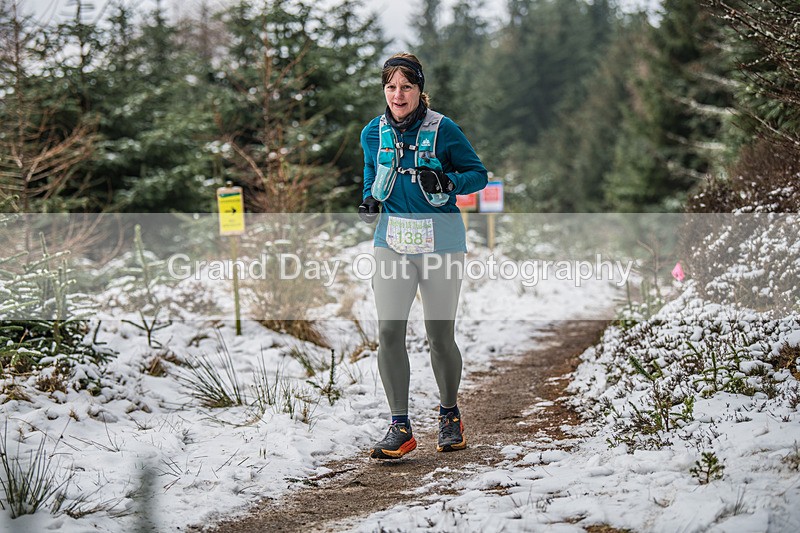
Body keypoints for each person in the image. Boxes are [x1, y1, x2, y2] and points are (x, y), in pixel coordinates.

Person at [358, 52, 488, 459]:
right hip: (392, 241)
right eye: (392, 86)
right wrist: (368, 198)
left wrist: (448, 180)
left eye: (407, 86)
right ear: (384, 89)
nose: (398, 94)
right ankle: (400, 426)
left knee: (439, 337)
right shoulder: (372, 132)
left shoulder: (444, 129)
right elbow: (369, 173)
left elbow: (478, 175)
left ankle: (449, 415)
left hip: (441, 243)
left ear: (419, 90)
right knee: (389, 334)